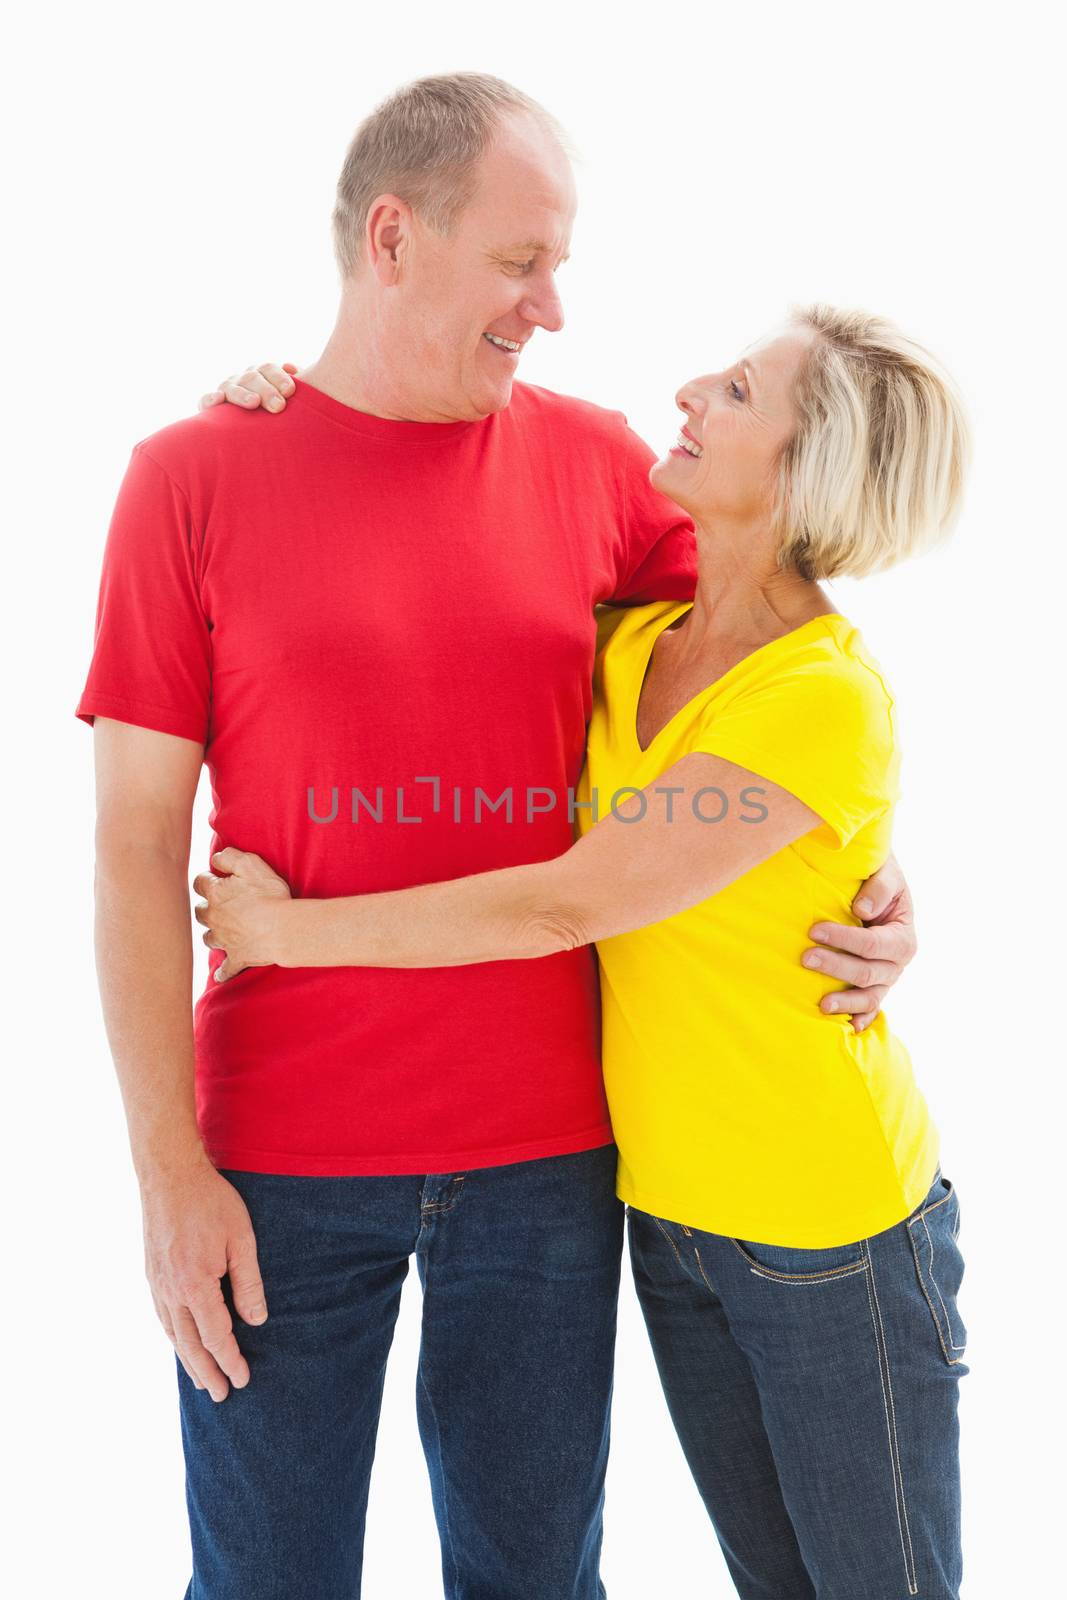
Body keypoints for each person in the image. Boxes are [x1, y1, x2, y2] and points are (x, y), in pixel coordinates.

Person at [77, 72, 917, 1599]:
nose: (556, 307)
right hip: (274, 1159)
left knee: (536, 1582)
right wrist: (165, 1175)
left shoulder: (602, 467)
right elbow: (135, 846)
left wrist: (876, 876)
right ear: (393, 236)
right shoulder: (189, 478)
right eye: (524, 262)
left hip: (549, 1163)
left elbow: (781, 669)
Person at [196, 304, 971, 1599]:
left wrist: (285, 933)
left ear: (805, 471)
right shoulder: (634, 645)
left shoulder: (819, 697)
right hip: (668, 1223)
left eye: (733, 392)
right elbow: (448, 542)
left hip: (833, 1240)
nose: (688, 392)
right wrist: (290, 428)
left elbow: (564, 905)